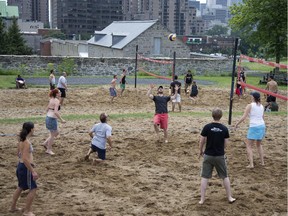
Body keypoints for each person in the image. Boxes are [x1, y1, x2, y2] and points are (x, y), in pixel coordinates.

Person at [198, 108, 236, 205]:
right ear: (221, 116)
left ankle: (202, 199)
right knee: (225, 176)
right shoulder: (224, 128)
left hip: (208, 155)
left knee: (205, 177)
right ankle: (230, 197)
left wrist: (200, 151)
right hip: (219, 155)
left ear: (212, 115)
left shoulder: (207, 127)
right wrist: (221, 150)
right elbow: (225, 143)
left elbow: (202, 140)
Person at [10, 122, 39, 216]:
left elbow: (18, 154)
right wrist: (32, 170)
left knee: (20, 187)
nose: (35, 130)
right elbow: (25, 158)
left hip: (20, 166)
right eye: (34, 128)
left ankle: (13, 207)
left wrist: (30, 161)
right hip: (26, 168)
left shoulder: (21, 140)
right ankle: (27, 211)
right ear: (31, 130)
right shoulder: (26, 142)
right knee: (33, 188)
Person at [235, 91, 265, 168]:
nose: (250, 97)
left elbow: (244, 117)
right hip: (262, 126)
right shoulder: (261, 106)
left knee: (248, 145)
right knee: (259, 145)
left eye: (251, 96)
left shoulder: (250, 105)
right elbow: (262, 118)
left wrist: (237, 124)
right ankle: (262, 162)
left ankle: (251, 164)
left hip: (254, 126)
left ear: (253, 97)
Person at [43, 88, 66, 155]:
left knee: (56, 132)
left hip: (48, 117)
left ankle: (45, 143)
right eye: (59, 92)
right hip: (51, 119)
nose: (60, 93)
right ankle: (49, 149)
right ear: (56, 94)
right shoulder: (56, 101)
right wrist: (61, 119)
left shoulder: (51, 99)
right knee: (53, 135)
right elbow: (56, 112)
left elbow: (47, 109)